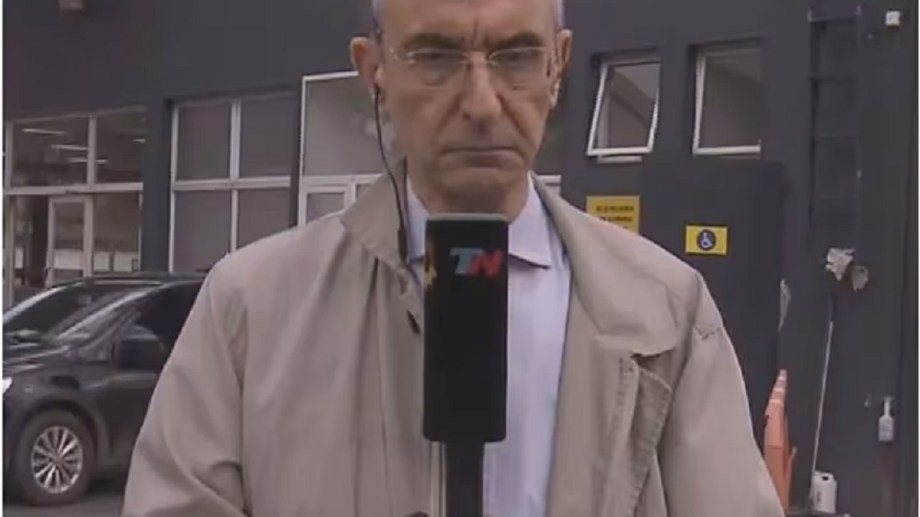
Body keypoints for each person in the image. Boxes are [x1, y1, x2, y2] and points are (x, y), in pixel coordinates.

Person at [122, 0, 784, 515]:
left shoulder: (666, 314)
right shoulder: (250, 309)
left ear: (557, 65)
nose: (481, 104)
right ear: (373, 71)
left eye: (515, 56)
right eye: (435, 56)